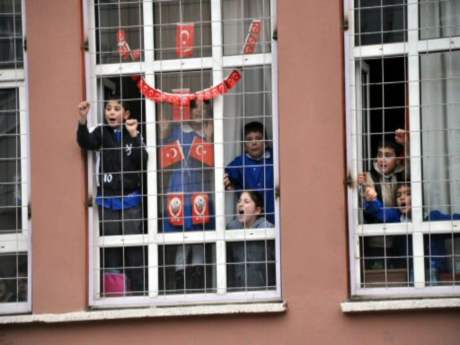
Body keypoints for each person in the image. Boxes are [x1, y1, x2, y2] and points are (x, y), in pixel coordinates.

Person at [77, 97, 148, 295]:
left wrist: (134, 137)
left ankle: (139, 291)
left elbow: (142, 161)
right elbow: (85, 142)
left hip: (131, 200)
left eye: (117, 109)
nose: (111, 113)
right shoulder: (100, 131)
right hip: (108, 200)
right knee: (111, 246)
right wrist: (83, 120)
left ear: (126, 114)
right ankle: (114, 291)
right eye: (108, 108)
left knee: (133, 246)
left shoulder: (133, 133)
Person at [158, 99, 214, 292]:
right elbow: (162, 153)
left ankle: (198, 287)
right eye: (196, 108)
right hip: (179, 190)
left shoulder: (208, 132)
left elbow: (212, 163)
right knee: (181, 242)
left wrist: (209, 139)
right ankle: (181, 287)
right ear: (188, 111)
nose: (200, 112)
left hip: (200, 190)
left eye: (204, 109)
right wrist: (163, 133)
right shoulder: (178, 130)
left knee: (199, 240)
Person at [363, 183, 460, 283]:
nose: (402, 198)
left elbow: (455, 221)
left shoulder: (433, 217)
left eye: (408, 194)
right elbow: (380, 212)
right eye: (398, 195)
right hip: (408, 276)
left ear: (418, 197)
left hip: (437, 274)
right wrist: (372, 200)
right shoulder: (397, 218)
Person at [224, 122, 275, 224]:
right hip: (249, 223)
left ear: (266, 142)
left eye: (259, 138)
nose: (254, 142)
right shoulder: (240, 163)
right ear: (244, 145)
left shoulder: (275, 158)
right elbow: (224, 179)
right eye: (249, 139)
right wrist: (228, 183)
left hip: (274, 221)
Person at [226, 191, 274, 290]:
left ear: (257, 210)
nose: (240, 204)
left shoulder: (268, 229)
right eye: (239, 201)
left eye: (246, 201)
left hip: (263, 290)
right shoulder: (231, 229)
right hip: (237, 291)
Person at [358, 129, 409, 222]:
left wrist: (406, 144)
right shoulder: (369, 177)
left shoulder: (402, 174)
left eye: (388, 155)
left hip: (401, 223)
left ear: (398, 160)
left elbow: (415, 166)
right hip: (378, 228)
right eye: (379, 155)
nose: (382, 159)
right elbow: (364, 204)